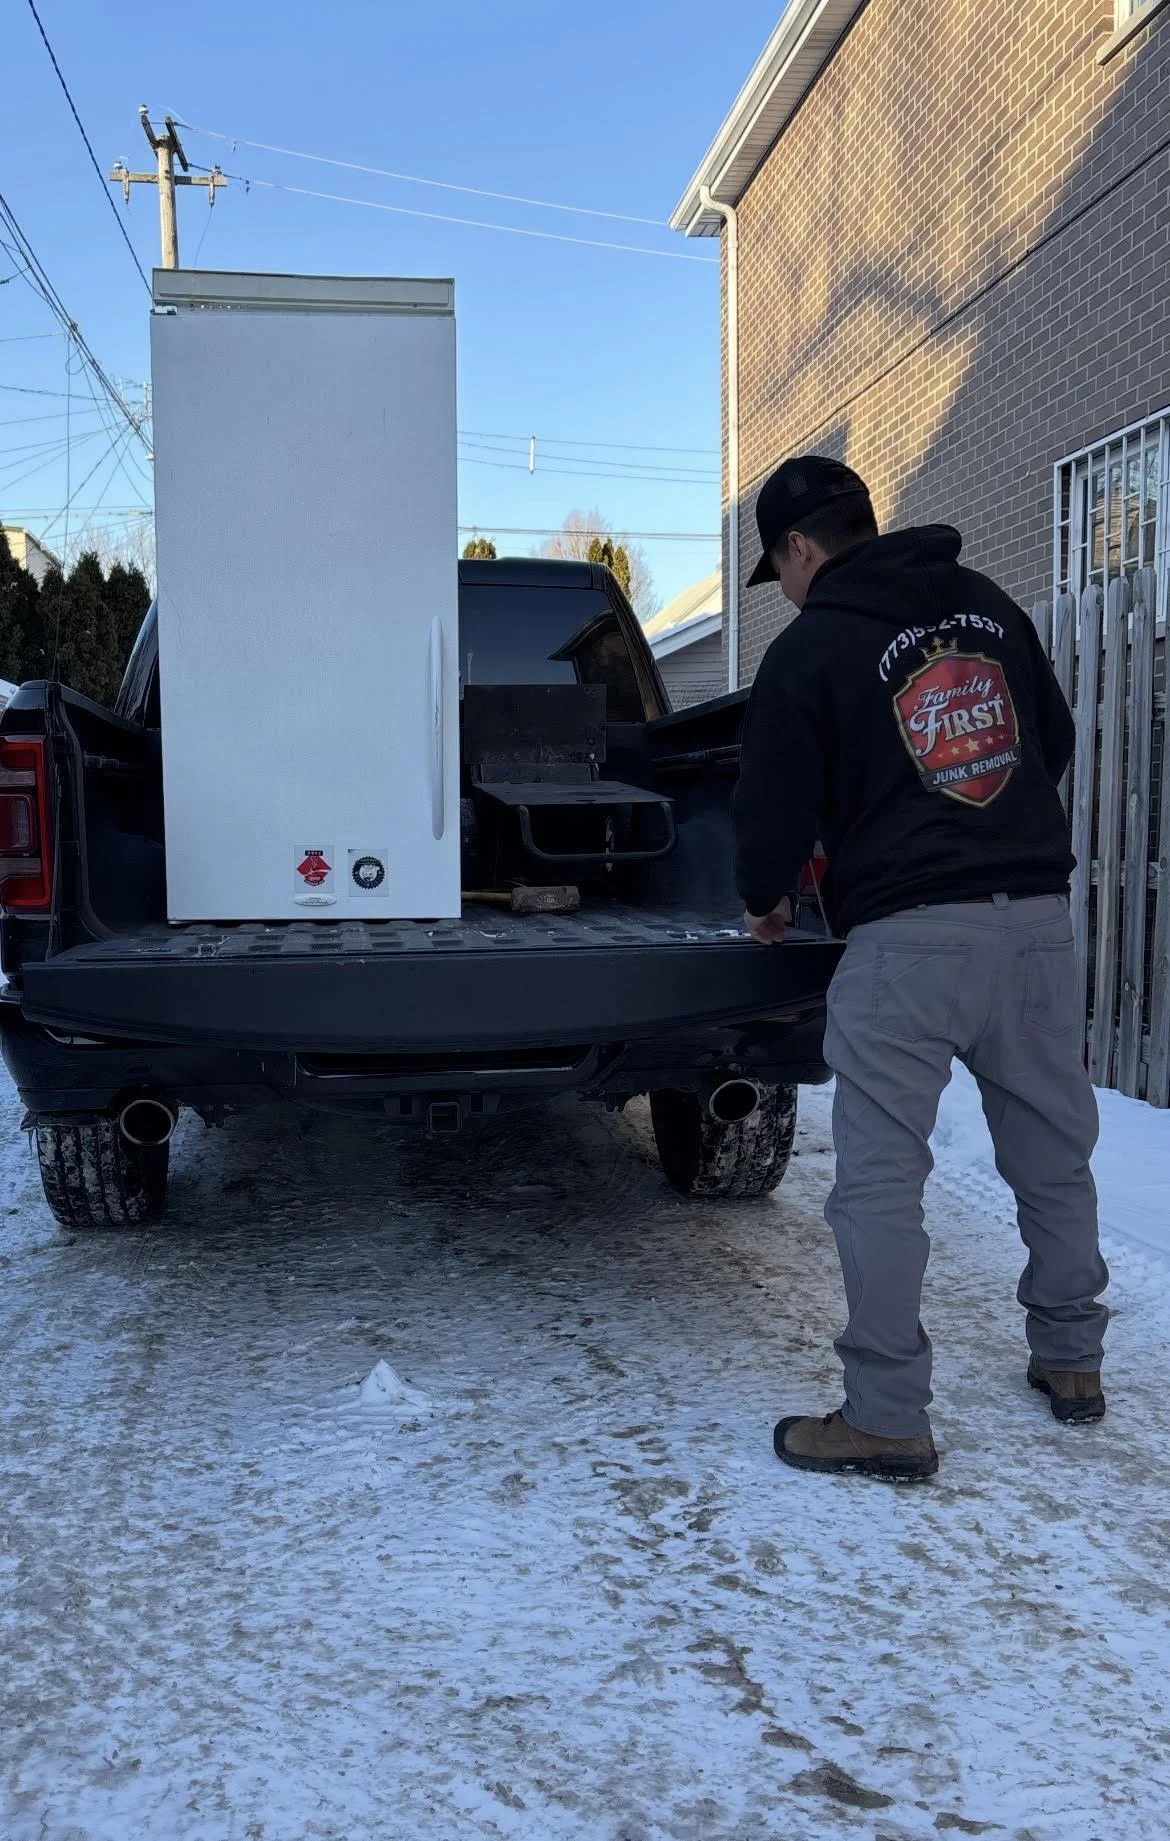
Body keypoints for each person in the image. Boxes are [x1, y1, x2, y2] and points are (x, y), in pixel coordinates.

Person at [734, 455, 1108, 1483]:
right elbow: (1054, 738)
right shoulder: (989, 608)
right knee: (1051, 1150)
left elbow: (770, 806)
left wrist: (767, 899)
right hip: (1034, 923)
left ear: (801, 547)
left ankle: (888, 1413)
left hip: (905, 940)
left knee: (881, 1179)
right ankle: (1073, 1359)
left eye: (783, 567)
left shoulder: (814, 645)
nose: (790, 586)